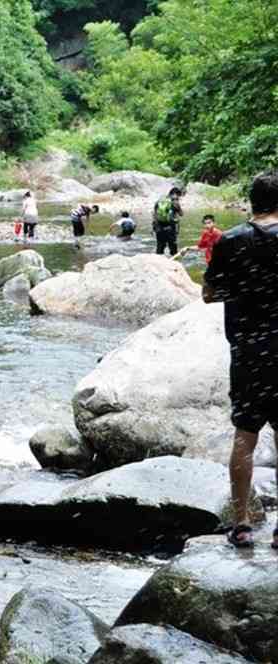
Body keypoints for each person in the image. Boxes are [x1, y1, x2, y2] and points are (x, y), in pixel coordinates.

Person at [202, 172, 278, 550]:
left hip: (248, 352)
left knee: (245, 437)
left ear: (253, 201)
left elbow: (209, 294)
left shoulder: (230, 240)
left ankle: (243, 524)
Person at [152, 187, 184, 255]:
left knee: (160, 247)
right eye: (179, 196)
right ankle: (173, 263)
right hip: (170, 228)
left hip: (159, 227)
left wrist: (154, 227)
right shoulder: (174, 201)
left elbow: (154, 213)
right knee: (173, 249)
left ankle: (158, 262)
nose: (178, 198)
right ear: (176, 194)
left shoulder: (160, 200)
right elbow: (181, 214)